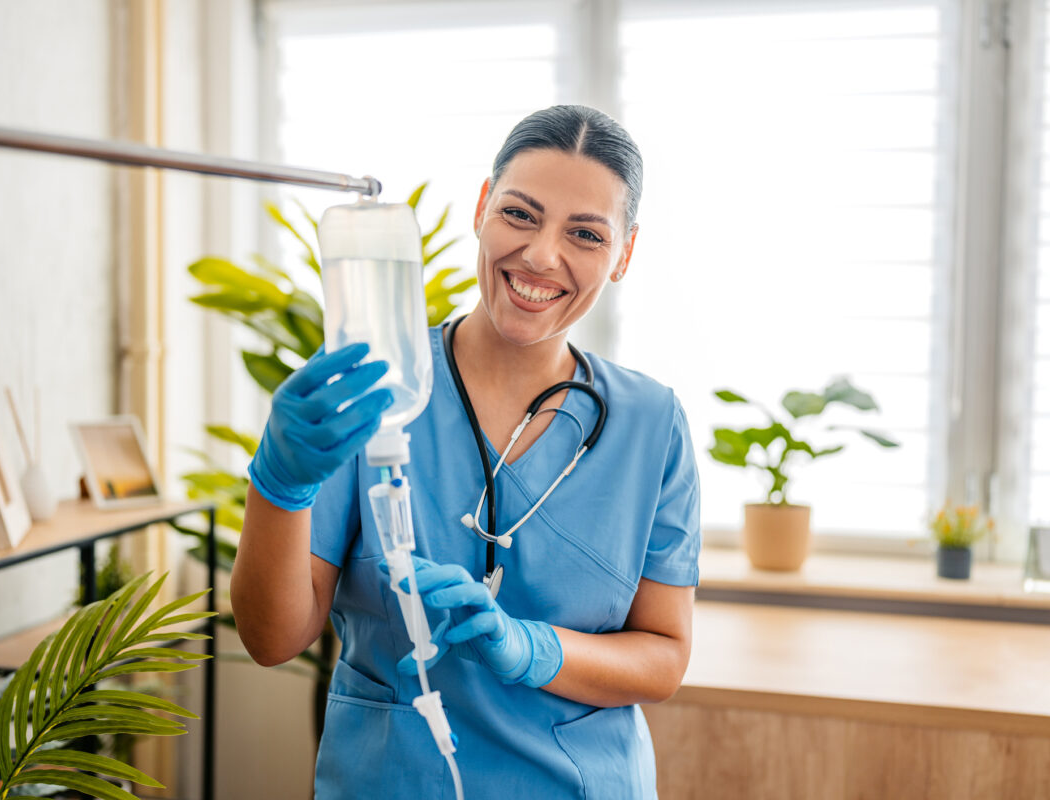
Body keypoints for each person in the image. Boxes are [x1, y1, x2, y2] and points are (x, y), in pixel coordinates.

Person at [231, 104, 701, 799]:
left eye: (585, 233)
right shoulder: (372, 386)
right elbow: (272, 639)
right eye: (519, 214)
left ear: (624, 254)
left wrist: (531, 649)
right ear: (481, 208)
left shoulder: (651, 424)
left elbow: (663, 658)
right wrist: (278, 486)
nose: (542, 255)